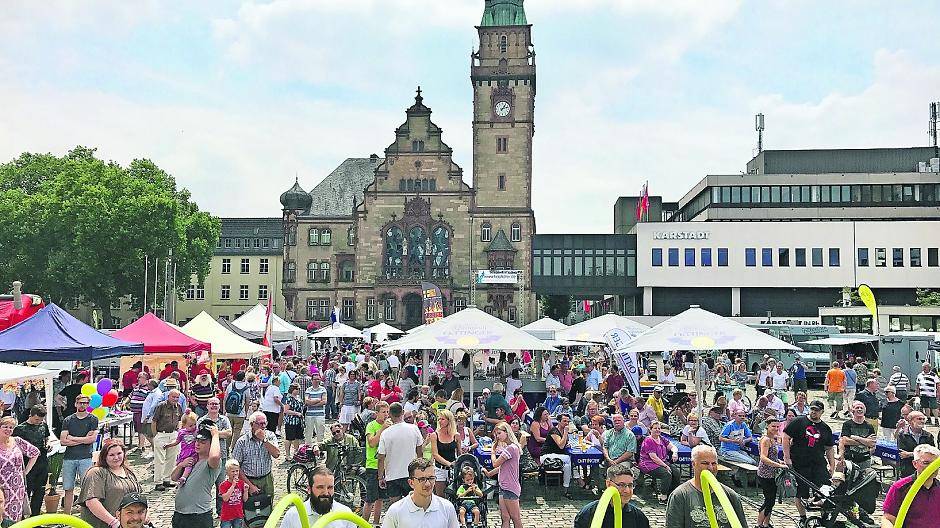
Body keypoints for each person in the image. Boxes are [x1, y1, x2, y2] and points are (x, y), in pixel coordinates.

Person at [665, 445, 747, 528]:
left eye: (714, 463)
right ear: (693, 464)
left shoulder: (730, 495)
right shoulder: (680, 495)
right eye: (705, 463)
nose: (710, 468)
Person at [783, 399, 835, 524]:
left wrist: (832, 465)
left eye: (816, 410)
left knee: (824, 490)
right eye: (812, 409)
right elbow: (786, 437)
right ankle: (802, 517)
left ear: (821, 412)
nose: (813, 412)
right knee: (801, 491)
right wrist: (787, 457)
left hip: (818, 463)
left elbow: (829, 448)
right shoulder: (799, 421)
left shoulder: (825, 428)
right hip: (800, 462)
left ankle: (824, 517)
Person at [78, 439, 142, 528]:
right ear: (104, 457)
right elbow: (91, 502)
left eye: (119, 453)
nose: (116, 458)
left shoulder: (128, 472)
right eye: (111, 455)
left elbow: (138, 498)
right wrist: (113, 522)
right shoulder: (96, 473)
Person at [381, 457, 458, 528]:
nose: (428, 484)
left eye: (431, 478)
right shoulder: (395, 511)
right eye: (422, 479)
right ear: (411, 483)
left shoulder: (447, 508)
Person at [170, 424, 222, 528]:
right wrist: (181, 465)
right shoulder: (191, 458)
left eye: (203, 442)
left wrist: (216, 435)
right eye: (197, 441)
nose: (198, 444)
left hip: (199, 515)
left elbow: (215, 456)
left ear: (211, 445)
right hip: (180, 514)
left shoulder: (211, 463)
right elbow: (174, 477)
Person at [881, 444, 940, 528]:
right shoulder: (900, 487)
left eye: (935, 464)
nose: (931, 467)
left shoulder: (938, 488)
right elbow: (888, 519)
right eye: (926, 463)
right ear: (915, 464)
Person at [574, 463, 650, 528]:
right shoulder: (588, 513)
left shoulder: (639, 517)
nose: (627, 490)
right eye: (621, 485)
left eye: (630, 485)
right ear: (608, 484)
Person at [377, 402, 424, 504]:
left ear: (389, 414)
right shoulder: (414, 428)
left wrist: (380, 476)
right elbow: (420, 452)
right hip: (411, 474)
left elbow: (381, 457)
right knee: (413, 505)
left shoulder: (385, 433)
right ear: (402, 412)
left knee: (395, 507)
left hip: (392, 476)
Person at [280, 466, 356, 528]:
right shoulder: (293, 514)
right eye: (320, 487)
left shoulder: (345, 514)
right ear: (309, 489)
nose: (326, 493)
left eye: (330, 487)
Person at [60, 393, 99, 513]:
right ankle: (67, 515)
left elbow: (92, 439)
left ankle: (86, 513)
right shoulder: (68, 420)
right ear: (76, 404)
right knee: (68, 488)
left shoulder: (93, 419)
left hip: (85, 457)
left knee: (86, 488)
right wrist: (83, 440)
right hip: (69, 458)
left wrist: (73, 438)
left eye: (85, 403)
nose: (83, 405)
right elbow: (63, 441)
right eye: (81, 402)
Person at [231, 411, 281, 498]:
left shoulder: (270, 435)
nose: (263, 426)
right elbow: (236, 466)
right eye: (260, 424)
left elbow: (276, 454)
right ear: (252, 424)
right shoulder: (242, 441)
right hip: (248, 479)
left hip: (266, 479)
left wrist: (264, 440)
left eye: (265, 423)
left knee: (267, 507)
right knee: (249, 509)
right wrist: (250, 485)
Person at [13, 405, 50, 517]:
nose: (38, 422)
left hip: (42, 460)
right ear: (31, 415)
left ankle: (36, 515)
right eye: (36, 419)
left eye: (41, 420)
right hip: (27, 462)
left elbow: (46, 439)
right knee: (26, 491)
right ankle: (23, 517)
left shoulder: (43, 425)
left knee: (40, 491)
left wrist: (48, 445)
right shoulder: (20, 429)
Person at [0, 415, 39, 521]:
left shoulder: (17, 441)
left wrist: (25, 471)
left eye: (11, 427)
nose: (8, 429)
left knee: (16, 518)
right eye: (5, 426)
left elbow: (35, 452)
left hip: (17, 487)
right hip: (1, 488)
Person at [485, 421, 522, 528]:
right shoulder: (510, 447)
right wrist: (489, 473)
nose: (497, 436)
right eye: (496, 434)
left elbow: (495, 463)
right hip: (504, 486)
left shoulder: (511, 448)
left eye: (499, 433)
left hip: (510, 487)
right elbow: (503, 467)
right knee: (505, 517)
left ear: (507, 432)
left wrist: (493, 451)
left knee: (515, 518)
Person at [638, 421, 679, 505]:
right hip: (648, 463)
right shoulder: (648, 440)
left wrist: (675, 453)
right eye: (655, 428)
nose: (657, 430)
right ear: (650, 430)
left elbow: (673, 446)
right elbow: (654, 457)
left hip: (662, 461)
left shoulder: (662, 438)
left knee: (676, 472)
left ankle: (671, 494)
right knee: (666, 474)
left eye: (659, 428)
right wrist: (665, 466)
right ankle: (663, 497)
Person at [756, 418, 787, 528]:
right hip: (765, 474)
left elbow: (772, 456)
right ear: (767, 426)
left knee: (771, 499)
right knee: (769, 500)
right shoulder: (766, 440)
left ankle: (766, 523)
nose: (776, 428)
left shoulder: (773, 439)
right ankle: (759, 524)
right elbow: (763, 457)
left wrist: (779, 461)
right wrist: (779, 465)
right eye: (773, 426)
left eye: (778, 426)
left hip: (771, 473)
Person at [363, 402, 390, 526]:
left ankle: (376, 523)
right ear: (377, 413)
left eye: (387, 412)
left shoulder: (389, 426)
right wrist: (382, 429)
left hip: (385, 466)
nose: (386, 415)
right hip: (372, 466)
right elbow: (372, 443)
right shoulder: (371, 425)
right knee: (370, 499)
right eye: (383, 412)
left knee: (380, 499)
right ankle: (363, 523)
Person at [152, 389, 183, 491]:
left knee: (172, 458)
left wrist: (178, 431)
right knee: (159, 460)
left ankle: (167, 479)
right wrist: (155, 435)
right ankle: (158, 482)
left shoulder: (178, 407)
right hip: (162, 434)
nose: (175, 399)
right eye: (173, 397)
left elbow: (180, 420)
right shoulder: (161, 406)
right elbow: (154, 421)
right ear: (168, 396)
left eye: (177, 397)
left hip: (173, 434)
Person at [541, 413, 574, 499]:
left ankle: (565, 489)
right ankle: (579, 479)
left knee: (567, 466)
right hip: (547, 456)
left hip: (557, 456)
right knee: (568, 458)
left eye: (568, 421)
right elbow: (561, 445)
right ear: (559, 421)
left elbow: (564, 444)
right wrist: (566, 432)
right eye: (564, 421)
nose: (566, 423)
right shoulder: (554, 431)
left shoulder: (563, 431)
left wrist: (568, 443)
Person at [897, 410, 935, 477]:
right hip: (907, 470)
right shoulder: (902, 435)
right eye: (919, 419)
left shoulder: (928, 436)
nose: (922, 421)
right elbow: (902, 454)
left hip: (925, 470)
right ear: (910, 421)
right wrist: (922, 454)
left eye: (923, 419)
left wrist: (910, 454)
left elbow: (932, 453)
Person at [163, 411, 198, 485]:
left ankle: (184, 477)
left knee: (189, 464)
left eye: (195, 424)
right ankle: (180, 478)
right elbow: (177, 441)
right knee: (181, 465)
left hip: (193, 452)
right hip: (184, 452)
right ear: (184, 425)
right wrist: (169, 445)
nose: (193, 427)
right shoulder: (181, 432)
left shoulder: (196, 431)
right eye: (191, 425)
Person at [840, 401, 876, 470]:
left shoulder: (869, 426)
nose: (859, 409)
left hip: (865, 460)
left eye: (861, 408)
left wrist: (856, 438)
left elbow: (872, 443)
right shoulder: (847, 424)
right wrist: (865, 441)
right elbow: (845, 441)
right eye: (857, 408)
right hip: (850, 459)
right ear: (853, 410)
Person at [429, 409, 458, 496]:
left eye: (442, 419)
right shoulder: (434, 435)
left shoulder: (456, 435)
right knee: (440, 496)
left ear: (449, 420)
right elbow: (435, 454)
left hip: (453, 469)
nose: (440, 421)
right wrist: (449, 464)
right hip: (440, 469)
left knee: (455, 495)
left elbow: (459, 453)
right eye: (439, 419)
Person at [224, 371, 250, 451]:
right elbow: (247, 401)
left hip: (229, 413)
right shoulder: (246, 387)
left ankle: (227, 448)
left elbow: (225, 398)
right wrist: (245, 412)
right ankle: (234, 448)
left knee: (229, 430)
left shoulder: (231, 385)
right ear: (243, 377)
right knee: (237, 431)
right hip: (240, 414)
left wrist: (225, 410)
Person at [219, 460, 248, 528]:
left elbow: (245, 500)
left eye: (237, 471)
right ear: (227, 473)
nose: (235, 473)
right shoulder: (223, 485)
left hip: (238, 515)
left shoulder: (241, 483)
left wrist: (246, 491)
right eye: (233, 471)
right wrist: (233, 485)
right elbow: (225, 499)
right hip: (226, 516)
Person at [282, 384, 306, 460]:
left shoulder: (299, 398)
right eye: (297, 389)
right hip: (290, 421)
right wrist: (296, 413)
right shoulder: (289, 398)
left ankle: (296, 453)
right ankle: (287, 455)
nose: (299, 390)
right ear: (293, 390)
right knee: (289, 438)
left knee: (297, 438)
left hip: (298, 421)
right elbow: (286, 410)